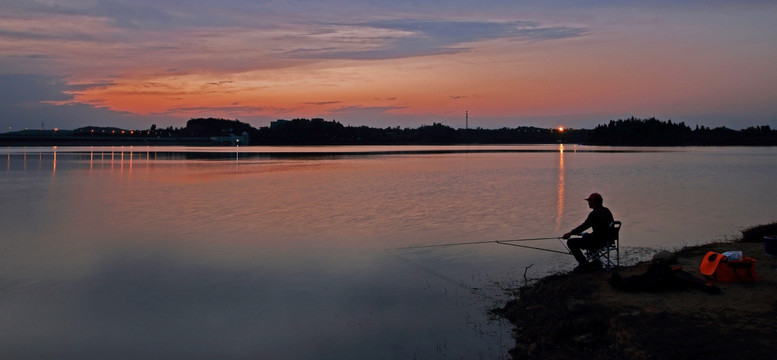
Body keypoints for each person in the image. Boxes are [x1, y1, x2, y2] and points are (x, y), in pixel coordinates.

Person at [562, 193, 614, 273]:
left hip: (599, 241)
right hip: (608, 240)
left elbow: (584, 226)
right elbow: (602, 229)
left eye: (590, 200)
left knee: (571, 242)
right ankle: (597, 262)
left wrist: (570, 233)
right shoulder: (607, 211)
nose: (588, 202)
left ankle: (584, 264)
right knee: (587, 236)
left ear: (595, 202)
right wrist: (590, 235)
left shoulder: (594, 214)